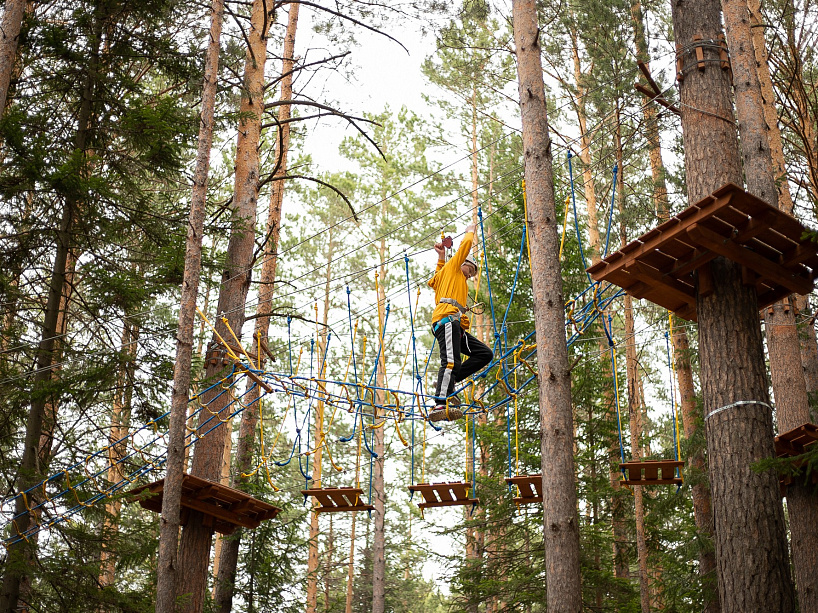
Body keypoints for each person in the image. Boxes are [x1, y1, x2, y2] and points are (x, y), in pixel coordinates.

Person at [427, 224, 493, 422]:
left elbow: (437, 277)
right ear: (461, 262)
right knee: (450, 361)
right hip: (446, 320)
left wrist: (440, 257)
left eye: (472, 273)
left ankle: (450, 381)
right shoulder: (454, 269)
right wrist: (470, 231)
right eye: (470, 269)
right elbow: (463, 248)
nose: (470, 274)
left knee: (484, 354)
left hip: (456, 325)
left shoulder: (452, 277)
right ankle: (440, 401)